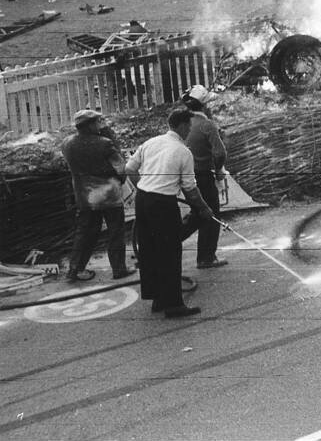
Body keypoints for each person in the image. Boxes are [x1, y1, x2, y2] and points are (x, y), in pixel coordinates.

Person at [126, 108, 214, 318]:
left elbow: (129, 169)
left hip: (143, 199)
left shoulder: (151, 142)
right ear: (183, 126)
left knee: (149, 250)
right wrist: (204, 209)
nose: (190, 130)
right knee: (169, 252)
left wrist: (144, 187)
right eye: (190, 127)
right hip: (163, 203)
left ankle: (158, 298)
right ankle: (174, 304)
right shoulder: (184, 151)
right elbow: (190, 188)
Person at [61, 109, 133, 282]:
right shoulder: (105, 143)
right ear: (91, 124)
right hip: (109, 195)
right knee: (115, 231)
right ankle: (118, 269)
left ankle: (75, 270)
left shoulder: (67, 143)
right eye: (96, 122)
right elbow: (121, 169)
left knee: (84, 233)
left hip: (85, 197)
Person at [179, 85, 229, 269]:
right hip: (202, 175)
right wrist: (218, 172)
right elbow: (219, 153)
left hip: (186, 176)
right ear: (204, 106)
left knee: (198, 214)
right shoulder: (207, 124)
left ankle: (164, 242)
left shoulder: (183, 124)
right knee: (211, 214)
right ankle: (206, 257)